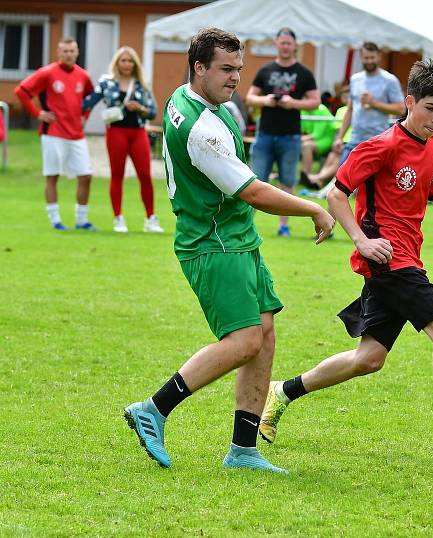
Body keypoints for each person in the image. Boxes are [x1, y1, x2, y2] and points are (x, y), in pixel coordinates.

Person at [258, 59, 433, 465]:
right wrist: (362, 241)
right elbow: (336, 195)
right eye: (430, 109)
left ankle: (283, 391)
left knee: (369, 359)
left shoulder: (432, 145)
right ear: (409, 102)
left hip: (405, 258)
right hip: (390, 261)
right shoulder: (381, 146)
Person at [123, 28, 335, 472]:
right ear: (198, 67)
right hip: (213, 242)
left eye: (239, 69)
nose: (236, 77)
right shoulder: (203, 128)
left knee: (263, 336)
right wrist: (313, 208)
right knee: (244, 341)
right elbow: (253, 192)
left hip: (236, 238)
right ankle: (154, 409)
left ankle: (243, 450)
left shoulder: (189, 99)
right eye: (225, 69)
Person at [15, 37, 95, 231]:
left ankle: (81, 220)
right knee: (53, 176)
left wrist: (85, 115)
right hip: (53, 132)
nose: (69, 54)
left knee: (86, 176)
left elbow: (91, 97)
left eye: (72, 50)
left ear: (77, 52)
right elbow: (21, 91)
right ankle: (55, 220)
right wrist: (38, 114)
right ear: (58, 53)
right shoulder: (47, 73)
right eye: (65, 51)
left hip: (76, 133)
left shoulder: (83, 75)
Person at [246, 28, 320, 237]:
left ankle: (283, 226)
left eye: (289, 43)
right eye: (282, 43)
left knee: (287, 181)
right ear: (276, 44)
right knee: (255, 181)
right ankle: (245, 225)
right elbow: (250, 97)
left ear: (295, 45)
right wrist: (266, 100)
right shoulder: (265, 70)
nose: (285, 46)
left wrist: (292, 103)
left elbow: (315, 102)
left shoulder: (304, 72)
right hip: (265, 134)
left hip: (290, 136)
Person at [82, 46, 162, 234]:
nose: (126, 64)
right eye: (123, 60)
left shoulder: (142, 84)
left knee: (145, 175)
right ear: (117, 63)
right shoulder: (106, 83)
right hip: (116, 131)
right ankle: (118, 218)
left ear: (135, 64)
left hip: (138, 132)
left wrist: (139, 108)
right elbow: (88, 102)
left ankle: (150, 218)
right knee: (117, 175)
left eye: (130, 61)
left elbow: (153, 112)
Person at [332, 42, 405, 165]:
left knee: (371, 183)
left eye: (372, 57)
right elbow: (350, 110)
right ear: (361, 57)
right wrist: (340, 137)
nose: (369, 61)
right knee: (342, 178)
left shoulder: (389, 80)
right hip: (354, 140)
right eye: (366, 58)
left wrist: (374, 103)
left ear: (379, 57)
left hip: (378, 141)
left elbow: (401, 109)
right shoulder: (355, 79)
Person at [298, 103, 336, 189]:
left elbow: (317, 135)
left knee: (306, 146)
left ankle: (306, 176)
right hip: (311, 139)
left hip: (325, 139)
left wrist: (299, 139)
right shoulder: (303, 109)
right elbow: (302, 129)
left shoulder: (321, 110)